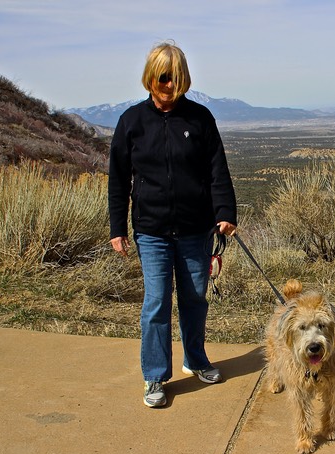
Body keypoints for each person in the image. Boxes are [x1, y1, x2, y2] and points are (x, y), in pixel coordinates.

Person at [108, 41, 237, 408]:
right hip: (151, 231)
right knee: (157, 301)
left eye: (177, 78)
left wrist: (225, 211)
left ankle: (195, 358)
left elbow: (217, 170)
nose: (169, 85)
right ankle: (154, 376)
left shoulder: (199, 119)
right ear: (151, 76)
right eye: (164, 77)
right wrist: (117, 228)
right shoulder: (131, 121)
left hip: (196, 228)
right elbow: (118, 180)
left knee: (195, 297)